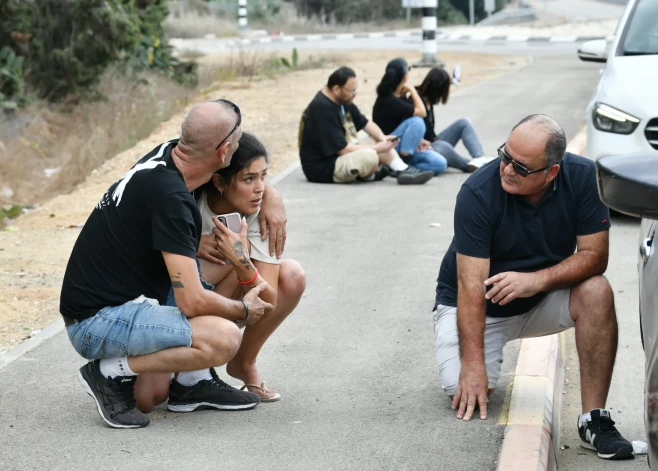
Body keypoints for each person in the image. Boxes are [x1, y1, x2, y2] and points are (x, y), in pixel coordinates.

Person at [60, 100, 289, 429]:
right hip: (96, 321)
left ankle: (193, 383)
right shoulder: (172, 198)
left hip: (120, 300)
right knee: (222, 338)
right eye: (236, 144)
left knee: (225, 255)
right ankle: (106, 373)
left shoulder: (168, 156)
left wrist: (270, 194)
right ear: (224, 151)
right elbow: (191, 300)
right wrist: (242, 311)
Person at [432, 114, 634, 460]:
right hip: (480, 301)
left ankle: (594, 421)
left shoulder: (585, 179)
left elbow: (595, 257)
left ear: (551, 171)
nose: (507, 169)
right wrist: (474, 362)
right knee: (462, 386)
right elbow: (469, 285)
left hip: (538, 296)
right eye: (504, 156)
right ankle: (473, 354)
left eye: (521, 167)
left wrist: (535, 281)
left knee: (597, 290)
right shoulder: (477, 193)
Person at [134, 132, 306, 410]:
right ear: (219, 181)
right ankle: (139, 362)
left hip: (213, 303)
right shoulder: (187, 193)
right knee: (147, 398)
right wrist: (189, 245)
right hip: (165, 303)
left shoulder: (259, 213)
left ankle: (234, 364)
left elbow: (269, 302)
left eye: (264, 177)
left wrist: (240, 260)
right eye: (250, 179)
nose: (260, 188)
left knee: (291, 275)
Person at [298, 66, 434, 185]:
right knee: (371, 155)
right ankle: (372, 175)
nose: (354, 95)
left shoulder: (342, 101)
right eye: (351, 91)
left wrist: (383, 138)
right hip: (323, 168)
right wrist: (377, 148)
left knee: (379, 141)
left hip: (339, 155)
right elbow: (342, 149)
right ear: (336, 89)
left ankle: (402, 169)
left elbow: (366, 123)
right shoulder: (322, 109)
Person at [372, 58, 448, 176]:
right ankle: (402, 167)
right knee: (417, 121)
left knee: (440, 163)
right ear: (404, 77)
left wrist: (419, 140)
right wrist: (412, 90)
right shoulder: (387, 99)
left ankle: (400, 167)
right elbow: (422, 113)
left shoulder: (399, 97)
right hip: (388, 147)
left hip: (403, 147)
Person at [416, 67, 493, 173]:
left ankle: (480, 158)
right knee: (444, 147)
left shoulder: (429, 99)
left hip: (434, 141)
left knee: (464, 123)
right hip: (423, 147)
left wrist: (452, 80)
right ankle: (470, 165)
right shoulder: (416, 101)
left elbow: (438, 83)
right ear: (437, 90)